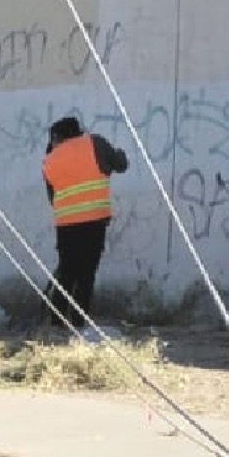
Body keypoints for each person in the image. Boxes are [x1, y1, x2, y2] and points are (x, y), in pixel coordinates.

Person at [39, 116, 128, 330]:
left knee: (67, 273)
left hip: (66, 225)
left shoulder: (49, 160)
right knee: (86, 275)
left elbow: (52, 198)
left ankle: (57, 322)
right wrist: (121, 153)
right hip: (94, 222)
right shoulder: (94, 143)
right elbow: (120, 165)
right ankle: (79, 323)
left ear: (57, 137)